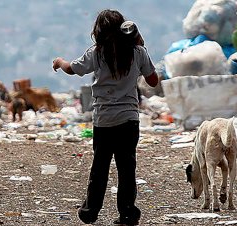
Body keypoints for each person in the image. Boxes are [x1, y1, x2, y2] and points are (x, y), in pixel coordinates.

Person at [52, 9, 158, 225]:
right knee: (127, 169)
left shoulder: (97, 52)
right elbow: (153, 80)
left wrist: (59, 61)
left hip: (104, 120)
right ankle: (128, 214)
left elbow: (73, 69)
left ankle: (90, 212)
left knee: (99, 168)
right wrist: (141, 43)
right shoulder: (138, 52)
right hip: (129, 119)